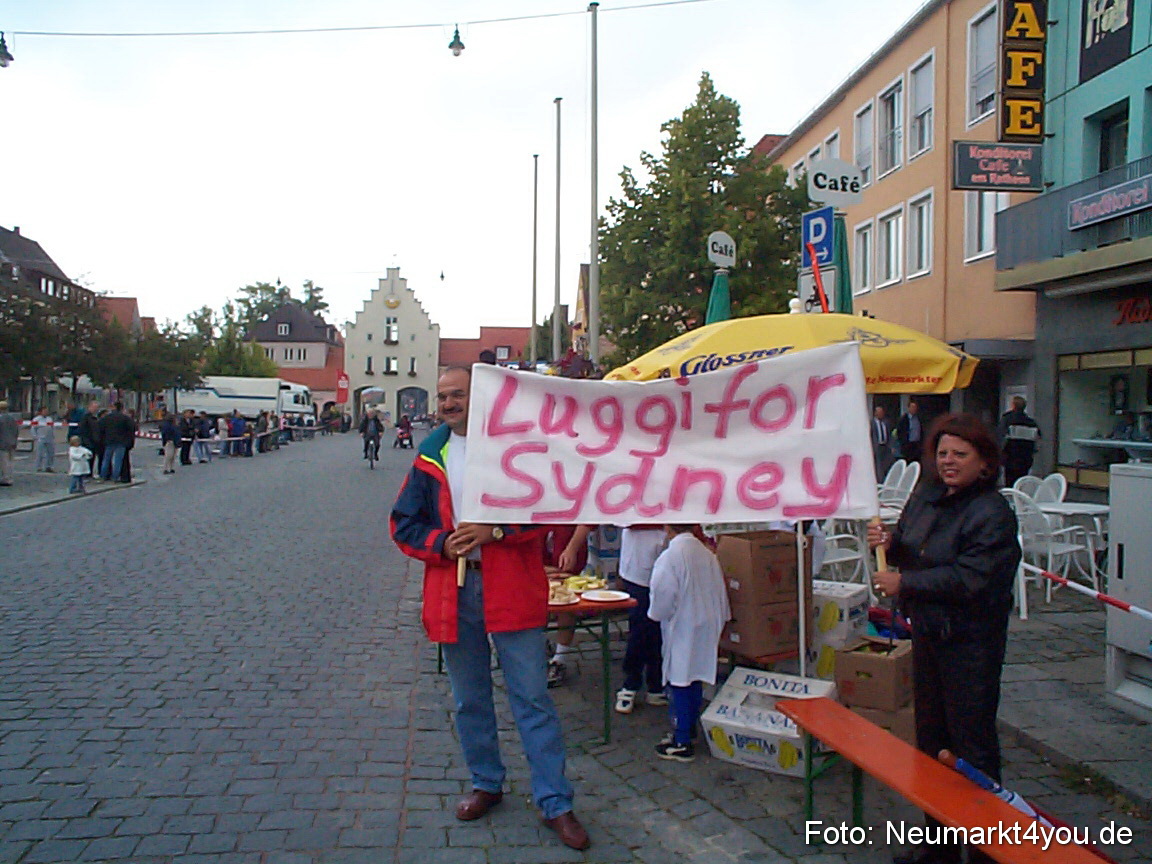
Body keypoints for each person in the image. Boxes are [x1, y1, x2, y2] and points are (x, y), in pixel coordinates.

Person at [390, 366, 589, 851]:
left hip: (511, 588)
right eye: (443, 396)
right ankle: (486, 782)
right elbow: (403, 524)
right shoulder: (431, 452)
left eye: (458, 394)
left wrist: (495, 533)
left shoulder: (513, 446)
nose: (449, 403)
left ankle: (555, 801)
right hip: (453, 589)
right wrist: (443, 544)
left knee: (532, 698)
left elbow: (546, 510)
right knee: (470, 699)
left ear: (480, 398)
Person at [868, 414, 1020, 864]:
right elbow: (915, 547)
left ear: (984, 463)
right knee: (932, 741)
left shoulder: (991, 512)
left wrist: (905, 584)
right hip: (930, 637)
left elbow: (970, 578)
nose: (949, 462)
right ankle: (940, 845)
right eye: (942, 453)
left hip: (971, 645)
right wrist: (890, 543)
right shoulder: (929, 496)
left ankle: (987, 848)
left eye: (960, 454)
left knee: (971, 745)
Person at [647, 524, 730, 763]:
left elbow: (662, 596)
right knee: (696, 674)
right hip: (707, 619)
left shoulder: (670, 557)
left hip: (683, 622)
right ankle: (689, 727)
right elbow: (719, 589)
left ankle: (682, 739)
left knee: (680, 677)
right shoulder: (706, 554)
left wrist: (659, 614)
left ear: (667, 527)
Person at [615, 526, 669, 714]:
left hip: (668, 555)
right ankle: (630, 683)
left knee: (660, 629)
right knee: (640, 628)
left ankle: (656, 683)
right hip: (638, 569)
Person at [543, 524, 592, 687]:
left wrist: (572, 547)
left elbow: (587, 517)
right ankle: (536, 649)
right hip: (535, 541)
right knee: (535, 599)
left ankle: (559, 659)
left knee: (566, 601)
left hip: (566, 540)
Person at [999, 396, 1040, 487]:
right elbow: (1037, 441)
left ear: (1013, 406)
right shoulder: (1031, 423)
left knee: (1010, 484)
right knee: (1021, 484)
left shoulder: (1008, 419)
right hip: (1025, 459)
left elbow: (1001, 437)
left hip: (1010, 458)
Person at [97, 401, 135, 481]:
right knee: (118, 461)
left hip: (109, 441)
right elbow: (131, 429)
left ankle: (103, 476)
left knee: (106, 460)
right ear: (121, 408)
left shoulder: (107, 418)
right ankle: (115, 477)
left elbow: (100, 427)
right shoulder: (125, 418)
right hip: (121, 442)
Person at [871, 405, 895, 481]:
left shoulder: (886, 422)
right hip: (877, 447)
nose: (881, 414)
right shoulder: (871, 423)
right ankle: (880, 480)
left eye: (882, 412)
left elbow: (889, 434)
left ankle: (886, 478)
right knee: (878, 465)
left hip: (885, 446)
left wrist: (891, 446)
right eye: (879, 412)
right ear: (875, 413)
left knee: (886, 463)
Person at [79, 401, 101, 477]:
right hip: (88, 441)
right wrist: (85, 440)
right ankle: (86, 473)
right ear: (89, 407)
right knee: (87, 459)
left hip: (94, 441)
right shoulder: (86, 417)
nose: (96, 409)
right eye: (94, 407)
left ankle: (89, 473)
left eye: (97, 407)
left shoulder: (94, 417)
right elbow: (83, 429)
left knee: (92, 458)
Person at [32, 406, 56, 472]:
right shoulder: (36, 419)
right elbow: (33, 428)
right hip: (40, 437)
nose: (46, 412)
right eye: (44, 411)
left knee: (51, 453)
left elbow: (52, 427)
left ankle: (49, 466)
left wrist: (53, 435)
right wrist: (35, 437)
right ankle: (38, 467)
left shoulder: (49, 419)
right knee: (40, 453)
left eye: (47, 411)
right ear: (40, 412)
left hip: (49, 437)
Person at [0, 401, 18, 486]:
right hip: (12, 442)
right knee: (11, 461)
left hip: (2, 443)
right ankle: (10, 477)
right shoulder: (12, 418)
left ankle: (5, 478)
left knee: (4, 461)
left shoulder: (0, 418)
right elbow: (16, 430)